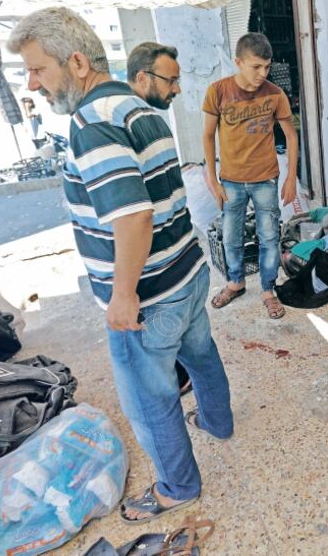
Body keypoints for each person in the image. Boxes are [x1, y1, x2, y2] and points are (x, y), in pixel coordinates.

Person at [7, 7, 233, 524]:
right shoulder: (138, 106)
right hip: (188, 271)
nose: (33, 83)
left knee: (148, 400)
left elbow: (133, 218)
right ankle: (218, 423)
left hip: (150, 293)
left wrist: (122, 294)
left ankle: (178, 486)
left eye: (38, 69)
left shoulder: (90, 124)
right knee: (201, 357)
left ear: (79, 61)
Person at [202, 32, 299, 320]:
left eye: (266, 67)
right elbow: (207, 136)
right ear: (238, 62)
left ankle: (268, 289)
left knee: (269, 237)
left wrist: (291, 178)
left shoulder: (274, 94)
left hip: (266, 179)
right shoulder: (218, 91)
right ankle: (235, 282)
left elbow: (291, 136)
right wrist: (212, 179)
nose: (262, 74)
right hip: (231, 179)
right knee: (230, 237)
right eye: (256, 67)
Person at [127, 41, 192, 395]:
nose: (177, 89)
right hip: (170, 265)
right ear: (142, 78)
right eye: (171, 81)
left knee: (160, 364)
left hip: (165, 270)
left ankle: (179, 382)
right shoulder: (131, 125)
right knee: (194, 351)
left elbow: (142, 214)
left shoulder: (149, 122)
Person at [127, 42, 181, 111]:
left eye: (177, 81)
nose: (178, 90)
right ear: (142, 79)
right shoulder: (132, 118)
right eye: (171, 81)